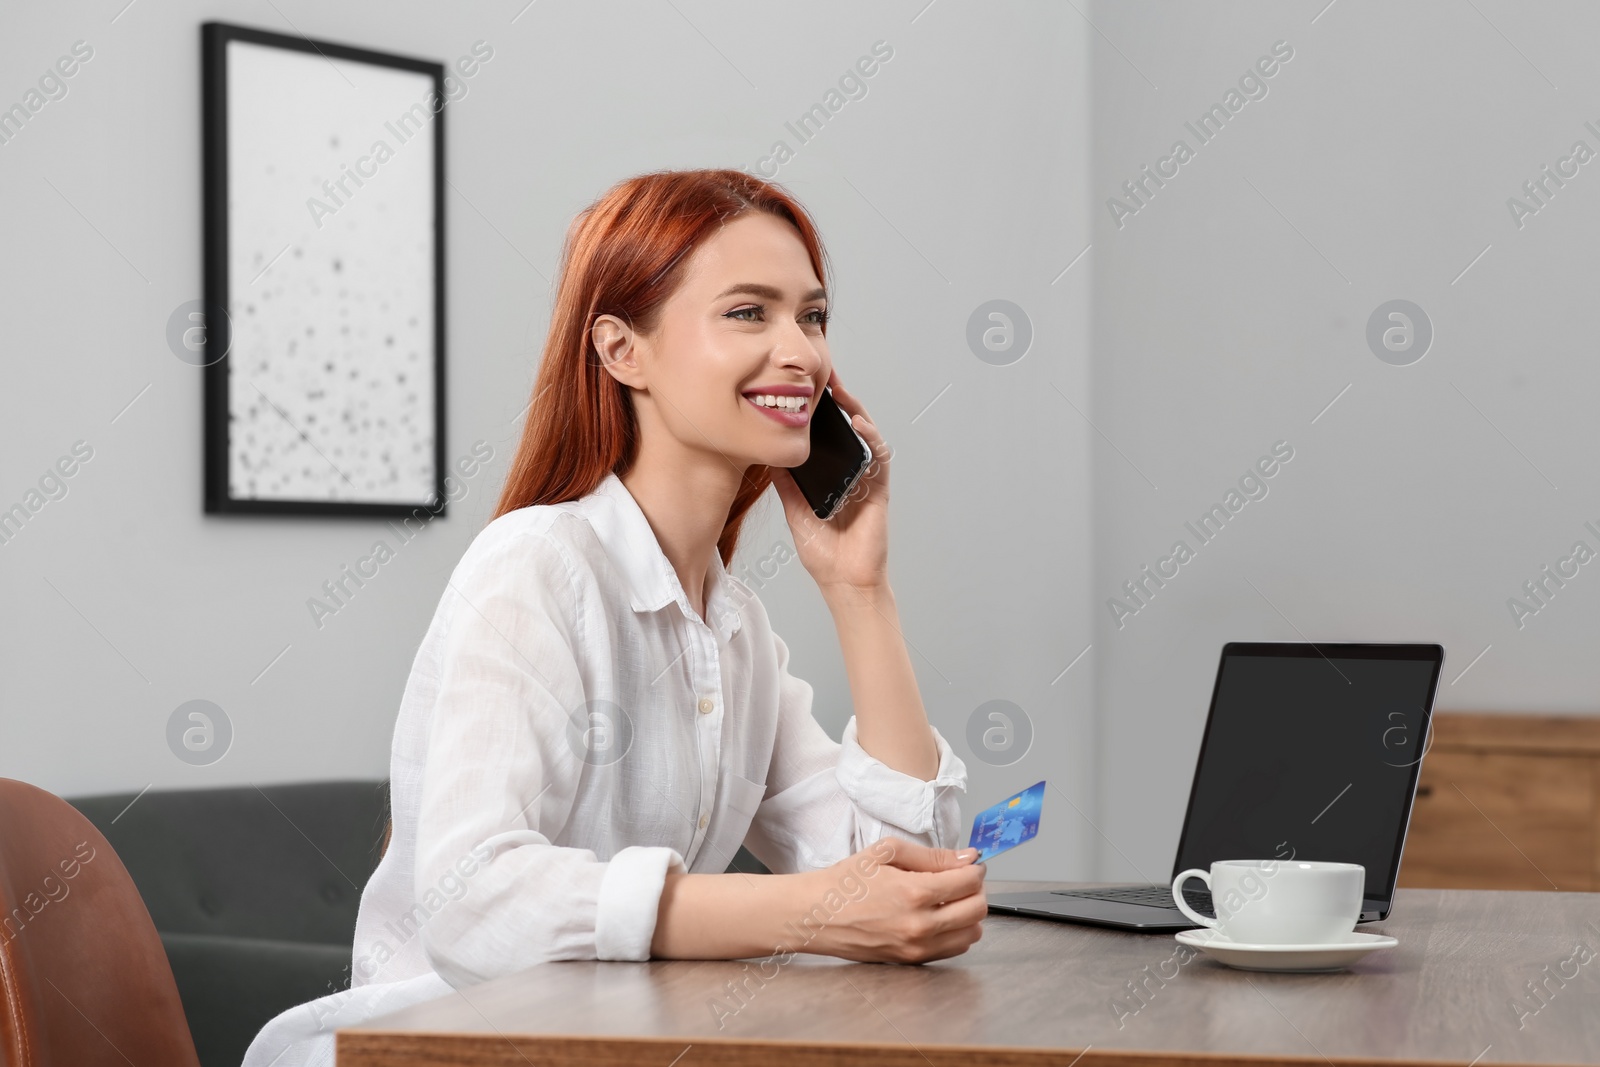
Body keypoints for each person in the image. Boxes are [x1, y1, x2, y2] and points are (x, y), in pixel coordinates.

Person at [242, 167, 985, 1067]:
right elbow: (474, 898)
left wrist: (861, 590)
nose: (801, 353)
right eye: (749, 312)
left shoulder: (736, 630)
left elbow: (911, 877)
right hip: (444, 1049)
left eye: (813, 316)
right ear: (621, 349)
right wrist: (807, 910)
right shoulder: (537, 564)